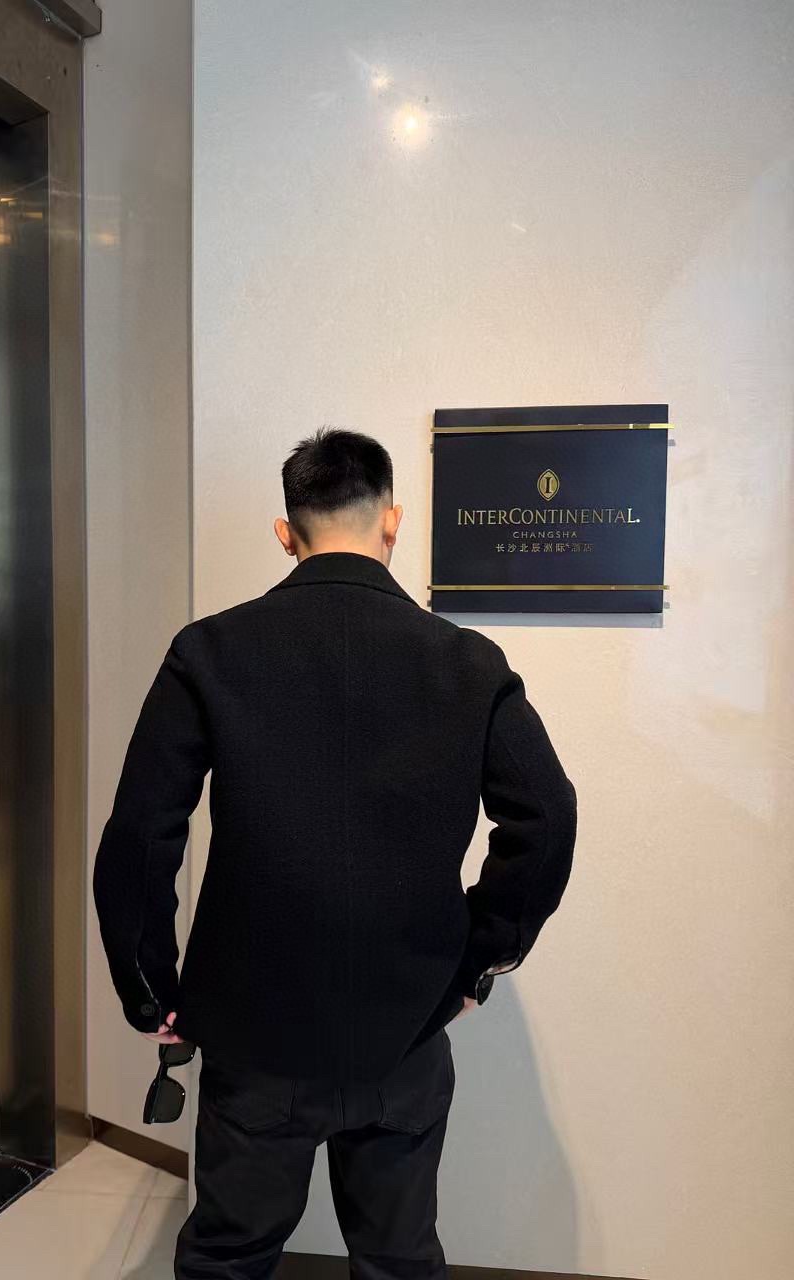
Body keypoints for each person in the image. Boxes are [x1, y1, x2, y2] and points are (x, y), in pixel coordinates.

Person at [93, 427, 577, 1280]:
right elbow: (547, 818)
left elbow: (141, 832)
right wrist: (475, 961)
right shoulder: (468, 664)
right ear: (392, 521)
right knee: (398, 1259)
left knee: (229, 1258)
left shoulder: (210, 651)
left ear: (287, 533)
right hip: (405, 1031)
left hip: (255, 1030)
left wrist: (150, 988)